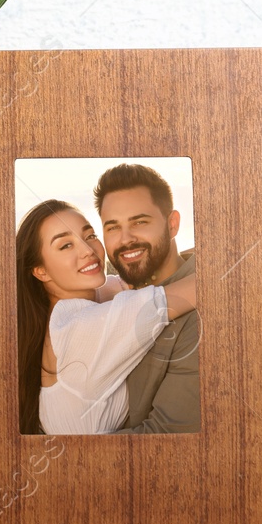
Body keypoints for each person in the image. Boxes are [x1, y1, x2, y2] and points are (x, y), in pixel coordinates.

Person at [14, 199, 197, 435]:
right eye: (65, 246)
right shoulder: (82, 327)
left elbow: (139, 280)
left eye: (89, 236)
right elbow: (201, 286)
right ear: (41, 271)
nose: (88, 251)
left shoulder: (71, 308)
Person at [94, 163, 199, 434]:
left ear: (172, 224)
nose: (126, 239)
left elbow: (167, 437)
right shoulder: (107, 299)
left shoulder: (199, 313)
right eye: (113, 227)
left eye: (140, 222)